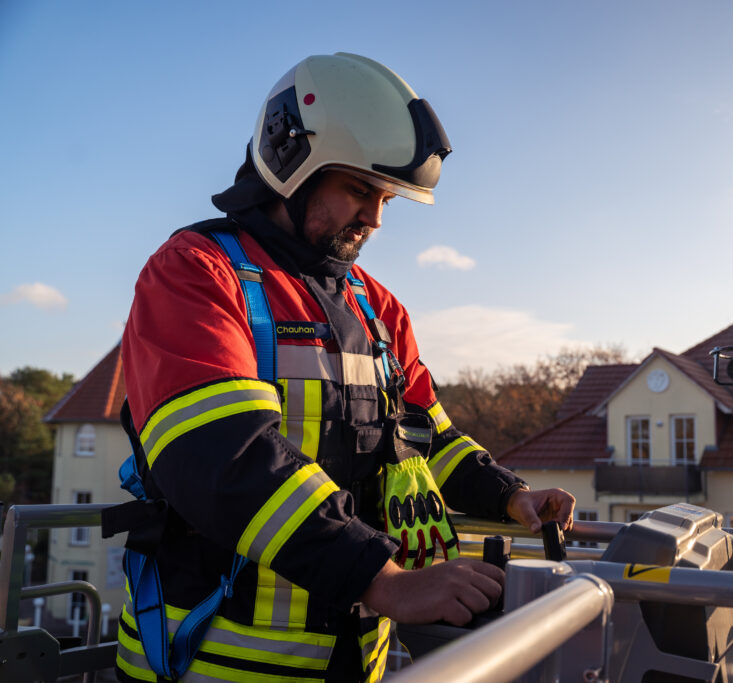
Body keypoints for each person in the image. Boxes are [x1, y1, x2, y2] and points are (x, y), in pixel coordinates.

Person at [113, 52, 575, 683]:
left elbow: (425, 434)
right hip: (206, 662)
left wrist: (509, 494)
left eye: (386, 197)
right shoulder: (195, 272)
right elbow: (223, 457)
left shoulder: (379, 307)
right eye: (360, 188)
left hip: (360, 660)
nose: (377, 217)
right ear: (289, 165)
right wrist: (382, 579)